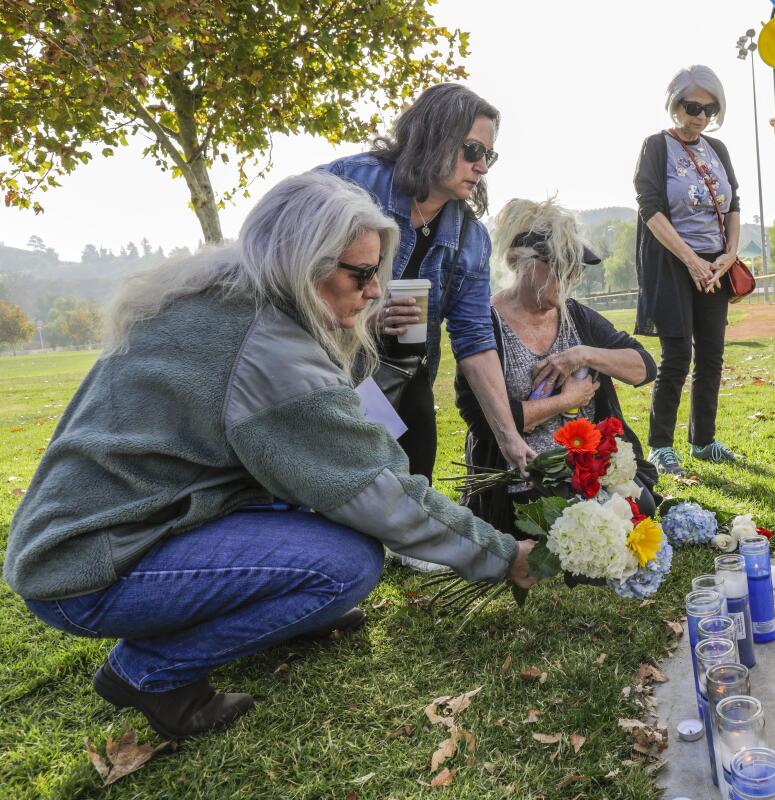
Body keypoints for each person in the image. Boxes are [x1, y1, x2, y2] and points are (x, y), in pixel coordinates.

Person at [3, 172, 536, 741]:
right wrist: (503, 555)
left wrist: (358, 326)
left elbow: (332, 413)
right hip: (89, 570)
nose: (376, 290)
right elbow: (374, 486)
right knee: (349, 565)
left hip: (105, 533)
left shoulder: (224, 296)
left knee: (311, 512)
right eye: (361, 275)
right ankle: (148, 673)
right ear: (303, 266)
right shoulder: (269, 348)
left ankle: (286, 616)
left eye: (377, 273)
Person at [319, 83, 535, 480]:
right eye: (472, 150)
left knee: (410, 486)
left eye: (489, 155)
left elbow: (475, 340)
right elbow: (282, 268)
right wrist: (365, 313)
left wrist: (509, 437)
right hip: (321, 371)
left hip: (402, 382)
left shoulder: (471, 239)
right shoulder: (349, 184)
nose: (482, 166)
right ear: (434, 136)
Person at [456, 199, 659, 533]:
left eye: (575, 269)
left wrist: (583, 355)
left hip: (587, 467)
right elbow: (487, 422)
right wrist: (568, 400)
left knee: (642, 505)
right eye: (562, 266)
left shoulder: (576, 316)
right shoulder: (484, 325)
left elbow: (644, 367)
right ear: (523, 262)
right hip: (522, 476)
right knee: (552, 520)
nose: (572, 278)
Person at [634, 65, 742, 477]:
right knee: (677, 355)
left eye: (709, 109)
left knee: (712, 356)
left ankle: (703, 441)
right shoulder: (656, 147)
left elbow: (733, 205)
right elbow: (650, 208)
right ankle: (661, 445)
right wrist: (691, 260)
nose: (700, 115)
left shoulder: (718, 149)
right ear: (674, 102)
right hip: (673, 263)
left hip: (715, 265)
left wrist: (729, 255)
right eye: (692, 106)